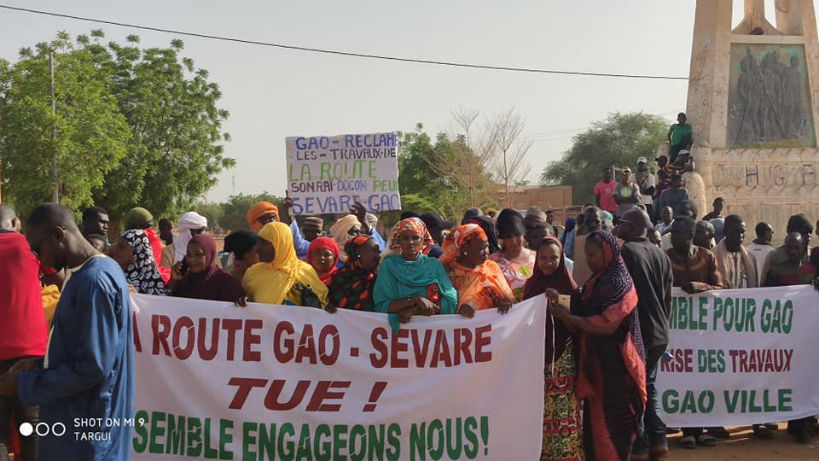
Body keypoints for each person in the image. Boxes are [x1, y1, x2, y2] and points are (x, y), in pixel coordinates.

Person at [0, 203, 134, 461]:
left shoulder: (94, 282)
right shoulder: (88, 275)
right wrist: (39, 364)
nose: (37, 257)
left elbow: (93, 367)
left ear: (59, 235)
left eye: (37, 248)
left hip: (87, 436)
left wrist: (25, 384)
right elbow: (81, 350)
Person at [546, 231, 645, 461]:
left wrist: (566, 318)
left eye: (593, 254)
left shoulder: (620, 282)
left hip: (619, 371)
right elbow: (581, 304)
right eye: (586, 255)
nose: (588, 260)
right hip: (598, 368)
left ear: (607, 253)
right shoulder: (596, 280)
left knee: (615, 431)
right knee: (595, 430)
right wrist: (559, 298)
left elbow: (607, 324)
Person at [615, 208, 673, 460]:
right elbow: (667, 299)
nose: (618, 228)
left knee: (636, 388)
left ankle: (642, 442)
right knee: (648, 385)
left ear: (633, 226)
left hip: (640, 333)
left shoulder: (627, 253)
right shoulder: (660, 254)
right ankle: (658, 439)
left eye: (622, 224)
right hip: (660, 332)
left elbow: (623, 296)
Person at [522, 237, 582, 461]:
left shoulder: (569, 288)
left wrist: (559, 306)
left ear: (561, 259)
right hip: (536, 357)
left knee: (563, 408)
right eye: (543, 258)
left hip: (562, 357)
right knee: (540, 412)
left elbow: (574, 325)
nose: (548, 263)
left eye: (553, 258)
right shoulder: (530, 285)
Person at [667, 216, 725, 448]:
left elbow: (721, 288)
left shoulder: (707, 257)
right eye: (672, 232)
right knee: (682, 378)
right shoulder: (667, 258)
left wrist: (701, 288)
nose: (673, 237)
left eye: (678, 233)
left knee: (702, 378)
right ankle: (687, 430)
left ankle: (701, 428)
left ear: (690, 235)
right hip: (678, 333)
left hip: (704, 333)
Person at [0, 205, 47, 461]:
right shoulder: (27, 245)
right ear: (16, 222)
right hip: (31, 353)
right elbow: (57, 274)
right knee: (32, 428)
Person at [763, 232, 818, 443]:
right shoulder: (775, 272)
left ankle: (804, 422)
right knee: (789, 379)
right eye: (789, 248)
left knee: (807, 379)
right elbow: (766, 300)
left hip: (808, 337)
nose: (793, 251)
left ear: (803, 248)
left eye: (797, 248)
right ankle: (795, 423)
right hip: (784, 337)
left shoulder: (813, 272)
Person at [373, 218, 457, 331]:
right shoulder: (389, 266)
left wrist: (414, 310)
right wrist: (414, 300)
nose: (411, 242)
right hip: (399, 336)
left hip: (433, 333)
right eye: (405, 238)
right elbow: (382, 305)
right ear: (398, 241)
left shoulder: (434, 265)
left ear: (422, 240)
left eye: (415, 237)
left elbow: (451, 301)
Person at [242, 222, 329, 308]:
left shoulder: (305, 272)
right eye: (258, 242)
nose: (257, 247)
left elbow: (322, 302)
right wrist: (243, 302)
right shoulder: (253, 274)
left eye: (264, 243)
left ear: (281, 245)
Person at [441, 224, 514, 317]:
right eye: (481, 249)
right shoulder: (448, 272)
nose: (486, 252)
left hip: (492, 326)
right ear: (465, 249)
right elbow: (445, 304)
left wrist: (504, 301)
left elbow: (508, 297)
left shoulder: (491, 267)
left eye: (487, 246)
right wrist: (461, 310)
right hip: (464, 329)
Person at [167, 234, 244, 302]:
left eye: (198, 254)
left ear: (209, 255)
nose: (191, 259)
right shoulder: (184, 282)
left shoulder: (227, 283)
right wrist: (173, 282)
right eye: (189, 254)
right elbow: (168, 307)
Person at [490, 209, 536, 301]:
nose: (514, 241)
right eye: (508, 236)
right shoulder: (492, 263)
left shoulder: (537, 258)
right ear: (502, 238)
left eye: (517, 235)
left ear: (523, 234)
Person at [328, 235, 381, 311]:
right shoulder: (336, 279)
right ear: (358, 252)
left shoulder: (379, 280)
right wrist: (326, 308)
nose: (378, 256)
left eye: (379, 252)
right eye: (374, 251)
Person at [760, 214, 814, 283]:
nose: (809, 236)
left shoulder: (814, 255)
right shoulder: (774, 256)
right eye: (804, 232)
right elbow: (764, 285)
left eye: (810, 232)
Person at [125, 206, 170, 284]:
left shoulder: (164, 249)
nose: (150, 232)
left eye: (150, 227)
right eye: (146, 227)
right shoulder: (119, 249)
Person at [713, 215, 757, 289]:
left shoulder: (750, 257)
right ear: (725, 232)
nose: (740, 236)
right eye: (736, 232)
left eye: (742, 232)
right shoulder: (713, 255)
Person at [118, 229, 167, 295]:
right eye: (117, 247)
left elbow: (159, 304)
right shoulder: (117, 273)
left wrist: (136, 297)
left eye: (122, 247)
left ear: (137, 249)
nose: (117, 251)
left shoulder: (154, 281)